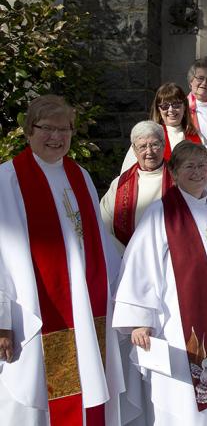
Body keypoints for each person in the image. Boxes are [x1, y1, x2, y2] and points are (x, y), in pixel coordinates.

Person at [0, 95, 124, 425]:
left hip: (85, 304)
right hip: (34, 310)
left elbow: (97, 241)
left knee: (85, 384)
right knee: (34, 397)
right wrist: (1, 319)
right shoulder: (7, 180)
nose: (57, 137)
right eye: (47, 129)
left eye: (65, 129)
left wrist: (120, 295)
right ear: (29, 130)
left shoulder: (79, 175)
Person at [112, 141, 207, 425]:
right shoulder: (161, 213)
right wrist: (140, 319)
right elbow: (140, 266)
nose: (198, 172)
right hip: (179, 322)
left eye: (202, 165)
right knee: (184, 401)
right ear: (174, 172)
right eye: (189, 166)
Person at [101, 120, 173, 254]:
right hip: (127, 258)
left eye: (155, 144)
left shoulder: (179, 179)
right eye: (143, 147)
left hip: (170, 257)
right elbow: (103, 225)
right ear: (134, 150)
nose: (149, 152)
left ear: (164, 145)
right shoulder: (120, 184)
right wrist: (126, 255)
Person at [121, 82, 201, 172]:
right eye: (165, 106)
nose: (171, 110)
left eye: (176, 105)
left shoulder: (198, 136)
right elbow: (127, 174)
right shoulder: (147, 136)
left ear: (185, 106)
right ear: (158, 110)